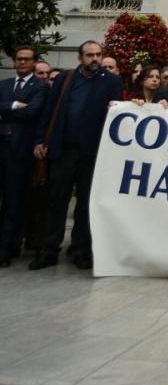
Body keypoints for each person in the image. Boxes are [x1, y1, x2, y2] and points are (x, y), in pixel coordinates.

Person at [30, 40, 122, 271]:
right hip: (64, 151)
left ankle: (81, 250)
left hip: (93, 154)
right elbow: (50, 110)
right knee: (56, 200)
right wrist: (41, 139)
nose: (95, 59)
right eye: (90, 55)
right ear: (80, 58)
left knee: (85, 203)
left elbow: (117, 113)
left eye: (99, 55)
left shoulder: (111, 81)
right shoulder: (65, 78)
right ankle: (49, 249)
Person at [0, 46, 48, 267]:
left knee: (14, 200)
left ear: (34, 62)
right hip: (2, 145)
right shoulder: (5, 84)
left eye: (27, 59)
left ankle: (8, 247)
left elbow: (32, 112)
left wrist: (5, 109)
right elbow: (20, 111)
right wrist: (13, 105)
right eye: (19, 59)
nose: (22, 62)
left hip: (20, 150)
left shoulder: (39, 86)